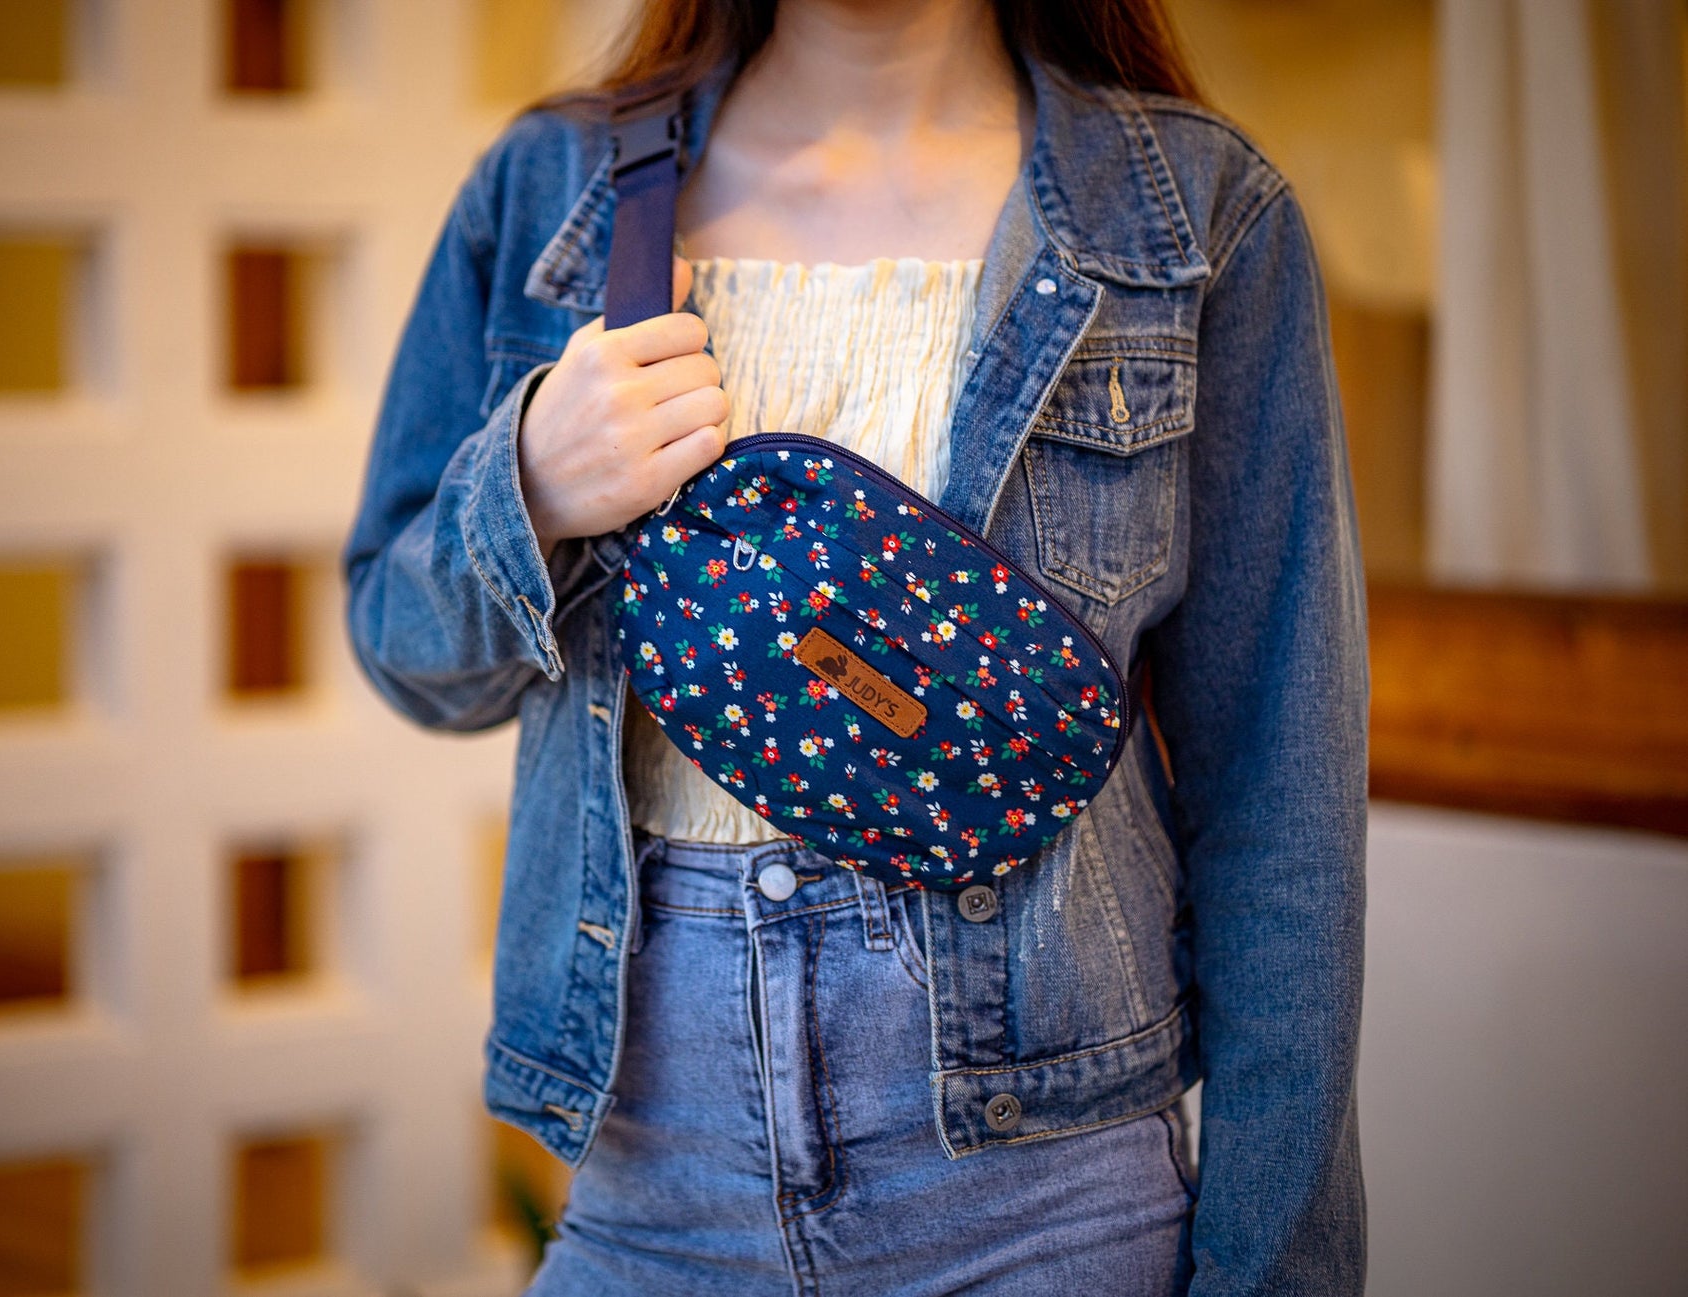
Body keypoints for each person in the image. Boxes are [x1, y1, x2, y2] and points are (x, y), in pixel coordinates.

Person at [343, 0, 1368, 1292]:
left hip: (1043, 1196)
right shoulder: (553, 187)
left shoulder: (1196, 213)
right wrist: (531, 485)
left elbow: (1280, 800)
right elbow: (402, 645)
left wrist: (1279, 1269)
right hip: (653, 1191)